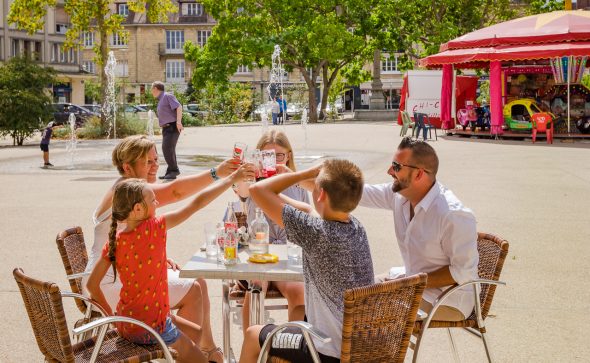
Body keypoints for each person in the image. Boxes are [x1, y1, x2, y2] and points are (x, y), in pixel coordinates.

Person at [83, 135, 250, 362]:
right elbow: (178, 193)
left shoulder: (125, 213)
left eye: (156, 159)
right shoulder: (129, 191)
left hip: (117, 288)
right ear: (127, 167)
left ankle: (197, 349)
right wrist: (218, 174)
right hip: (113, 286)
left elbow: (129, 242)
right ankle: (199, 353)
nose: (155, 166)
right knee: (194, 288)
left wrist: (153, 258)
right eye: (147, 162)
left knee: (195, 296)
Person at [239, 159, 375, 363]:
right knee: (296, 317)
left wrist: (303, 173)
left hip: (324, 351)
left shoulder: (316, 232)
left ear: (321, 194)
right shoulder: (357, 228)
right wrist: (314, 181)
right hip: (358, 347)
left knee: (252, 335)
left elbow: (257, 190)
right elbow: (308, 207)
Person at [358, 137, 479, 322]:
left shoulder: (453, 215)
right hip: (413, 283)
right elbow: (356, 193)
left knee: (369, 309)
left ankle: (369, 351)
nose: (389, 171)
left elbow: (463, 272)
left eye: (397, 167)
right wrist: (306, 177)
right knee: (356, 292)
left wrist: (407, 284)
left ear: (419, 174)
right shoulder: (400, 196)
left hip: (448, 298)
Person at [232, 130, 309, 335]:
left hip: (289, 257)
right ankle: (253, 343)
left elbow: (308, 220)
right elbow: (241, 191)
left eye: (279, 156)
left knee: (297, 290)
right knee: (257, 285)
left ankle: (295, 347)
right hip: (258, 255)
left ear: (289, 156)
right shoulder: (253, 182)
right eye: (267, 156)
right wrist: (245, 171)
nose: (273, 162)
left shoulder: (298, 183)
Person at [152, 81, 183, 180]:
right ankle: (170, 171)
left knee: (167, 149)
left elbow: (179, 107)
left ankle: (174, 171)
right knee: (168, 149)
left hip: (172, 126)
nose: (151, 92)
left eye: (152, 89)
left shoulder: (167, 96)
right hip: (166, 128)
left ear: (156, 89)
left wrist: (178, 122)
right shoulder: (161, 99)